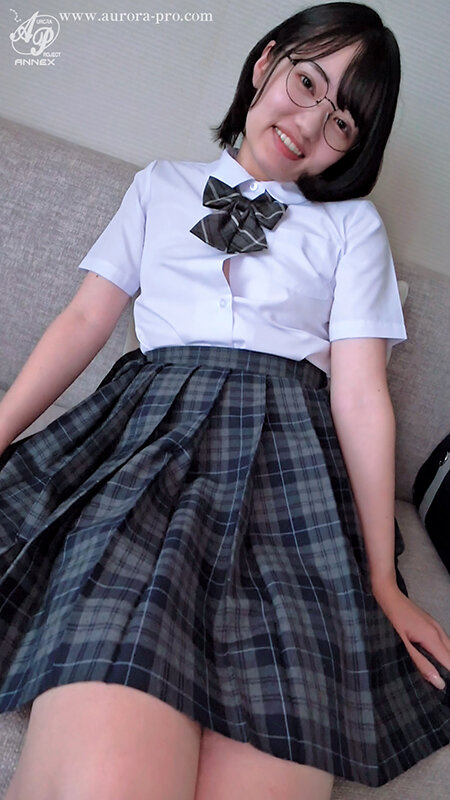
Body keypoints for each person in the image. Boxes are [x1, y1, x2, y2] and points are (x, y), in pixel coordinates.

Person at [0, 3, 449, 799]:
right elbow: (84, 321)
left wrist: (382, 579)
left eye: (342, 121)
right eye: (307, 82)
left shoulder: (352, 226)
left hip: (288, 467)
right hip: (151, 442)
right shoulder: (160, 186)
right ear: (266, 62)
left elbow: (360, 395)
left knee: (283, 720)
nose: (310, 124)